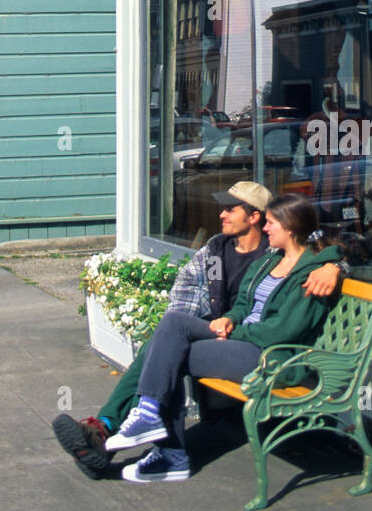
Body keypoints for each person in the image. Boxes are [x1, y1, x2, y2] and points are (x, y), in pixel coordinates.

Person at [52, 182, 342, 478]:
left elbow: (319, 249)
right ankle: (117, 431)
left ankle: (124, 436)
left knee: (171, 351)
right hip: (221, 331)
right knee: (170, 336)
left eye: (230, 209)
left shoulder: (275, 254)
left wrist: (336, 265)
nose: (222, 215)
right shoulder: (216, 249)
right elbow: (189, 291)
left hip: (258, 349)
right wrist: (217, 323)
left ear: (255, 217)